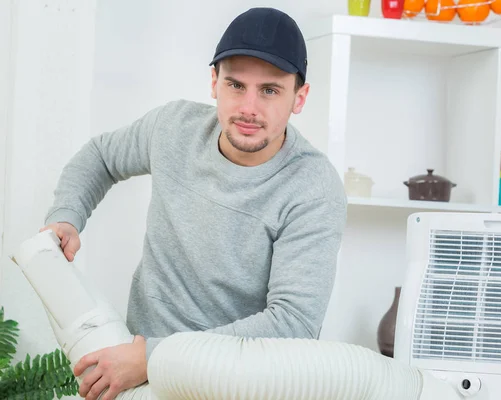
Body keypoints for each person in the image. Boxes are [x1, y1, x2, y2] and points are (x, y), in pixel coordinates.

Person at [40, 6, 347, 400]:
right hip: (138, 373)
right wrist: (67, 214)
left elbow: (293, 323)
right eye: (236, 85)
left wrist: (153, 358)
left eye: (269, 90)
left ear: (299, 98)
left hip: (235, 383)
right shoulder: (173, 128)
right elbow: (100, 157)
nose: (249, 108)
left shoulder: (313, 187)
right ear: (214, 81)